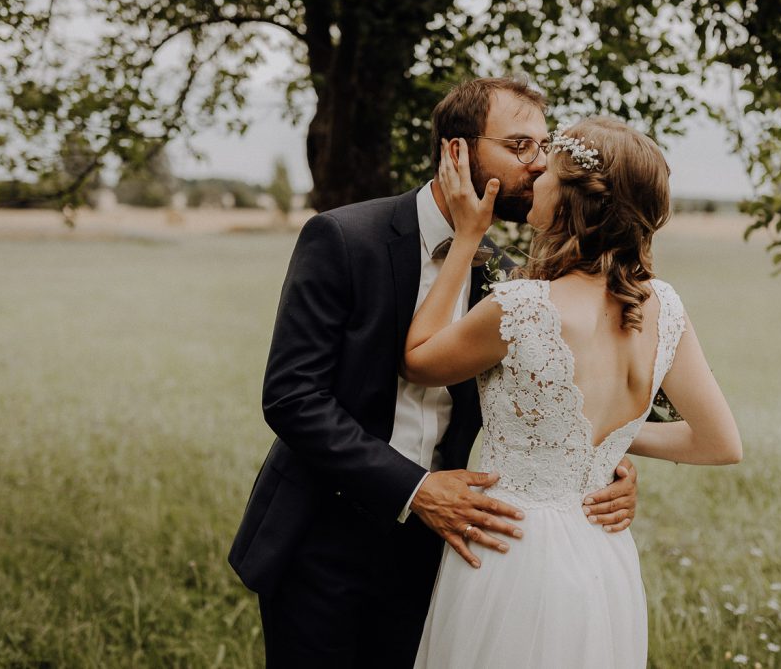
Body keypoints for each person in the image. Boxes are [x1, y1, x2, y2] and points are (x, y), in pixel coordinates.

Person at [227, 78, 641, 667]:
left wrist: (609, 466)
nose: (538, 164)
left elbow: (560, 396)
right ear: (457, 152)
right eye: (519, 146)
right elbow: (292, 397)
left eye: (543, 147)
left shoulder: (512, 279)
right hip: (321, 535)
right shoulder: (345, 237)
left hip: (439, 549)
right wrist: (416, 489)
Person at [403, 117, 743, 668]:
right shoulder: (663, 306)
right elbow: (719, 443)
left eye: (549, 171)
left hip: (510, 548)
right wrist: (600, 442)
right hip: (601, 555)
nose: (535, 173)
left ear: (570, 200)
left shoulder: (525, 306)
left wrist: (466, 238)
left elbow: (419, 361)